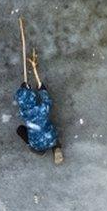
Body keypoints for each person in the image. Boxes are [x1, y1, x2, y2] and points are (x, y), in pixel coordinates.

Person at [15, 19, 63, 164]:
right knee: (47, 129)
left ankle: (40, 150)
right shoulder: (43, 108)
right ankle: (56, 147)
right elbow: (43, 90)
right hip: (50, 137)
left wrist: (26, 86)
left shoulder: (24, 112)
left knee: (20, 130)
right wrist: (35, 73)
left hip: (37, 144)